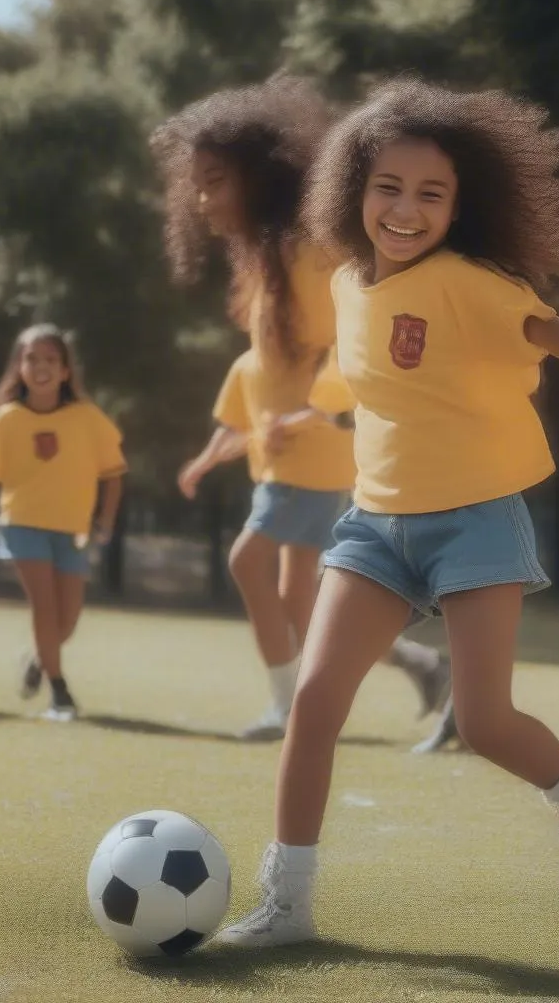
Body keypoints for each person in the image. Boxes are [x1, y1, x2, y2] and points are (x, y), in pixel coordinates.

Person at [218, 77, 559, 947]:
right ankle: (287, 904)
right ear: (353, 189)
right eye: (388, 188)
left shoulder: (470, 282)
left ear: (458, 205)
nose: (406, 210)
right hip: (374, 525)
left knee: (484, 724)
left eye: (430, 194)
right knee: (316, 704)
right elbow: (380, 384)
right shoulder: (346, 286)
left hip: (475, 517)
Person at [151, 76, 449, 742]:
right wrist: (222, 442)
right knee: (296, 595)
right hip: (281, 453)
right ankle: (423, 665)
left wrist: (312, 413)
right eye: (195, 183)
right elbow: (257, 363)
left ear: (257, 178)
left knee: (245, 563)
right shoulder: (266, 260)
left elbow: (352, 344)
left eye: (214, 180)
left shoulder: (309, 254)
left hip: (313, 451)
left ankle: (287, 709)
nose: (201, 198)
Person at [0, 323, 126, 720]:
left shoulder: (88, 417)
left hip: (73, 531)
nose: (41, 367)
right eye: (31, 358)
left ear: (66, 371)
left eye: (51, 360)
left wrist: (105, 522)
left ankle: (40, 661)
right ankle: (60, 694)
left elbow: (114, 473)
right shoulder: (8, 419)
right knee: (44, 607)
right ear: (19, 368)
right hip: (21, 524)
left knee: (66, 622)